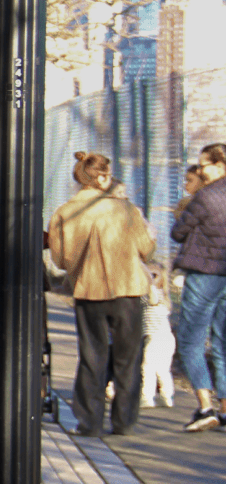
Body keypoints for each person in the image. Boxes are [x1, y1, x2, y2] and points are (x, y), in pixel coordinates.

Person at [47, 151, 155, 437]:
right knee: (128, 358)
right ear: (104, 177)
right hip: (128, 289)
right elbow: (146, 249)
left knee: (91, 356)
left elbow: (60, 259)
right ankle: (124, 421)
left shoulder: (65, 212)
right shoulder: (126, 210)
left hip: (88, 290)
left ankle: (89, 422)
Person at [170, 143, 226, 431]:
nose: (200, 169)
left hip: (205, 271)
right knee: (222, 341)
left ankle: (205, 407)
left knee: (190, 340)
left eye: (204, 164)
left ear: (219, 165)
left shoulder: (205, 197)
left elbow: (178, 232)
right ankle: (224, 407)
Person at [140, 263, 176, 409]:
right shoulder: (162, 297)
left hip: (155, 338)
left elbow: (153, 299)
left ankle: (147, 397)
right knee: (162, 370)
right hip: (165, 338)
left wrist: (149, 282)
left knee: (148, 367)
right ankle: (167, 397)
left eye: (153, 275)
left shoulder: (153, 295)